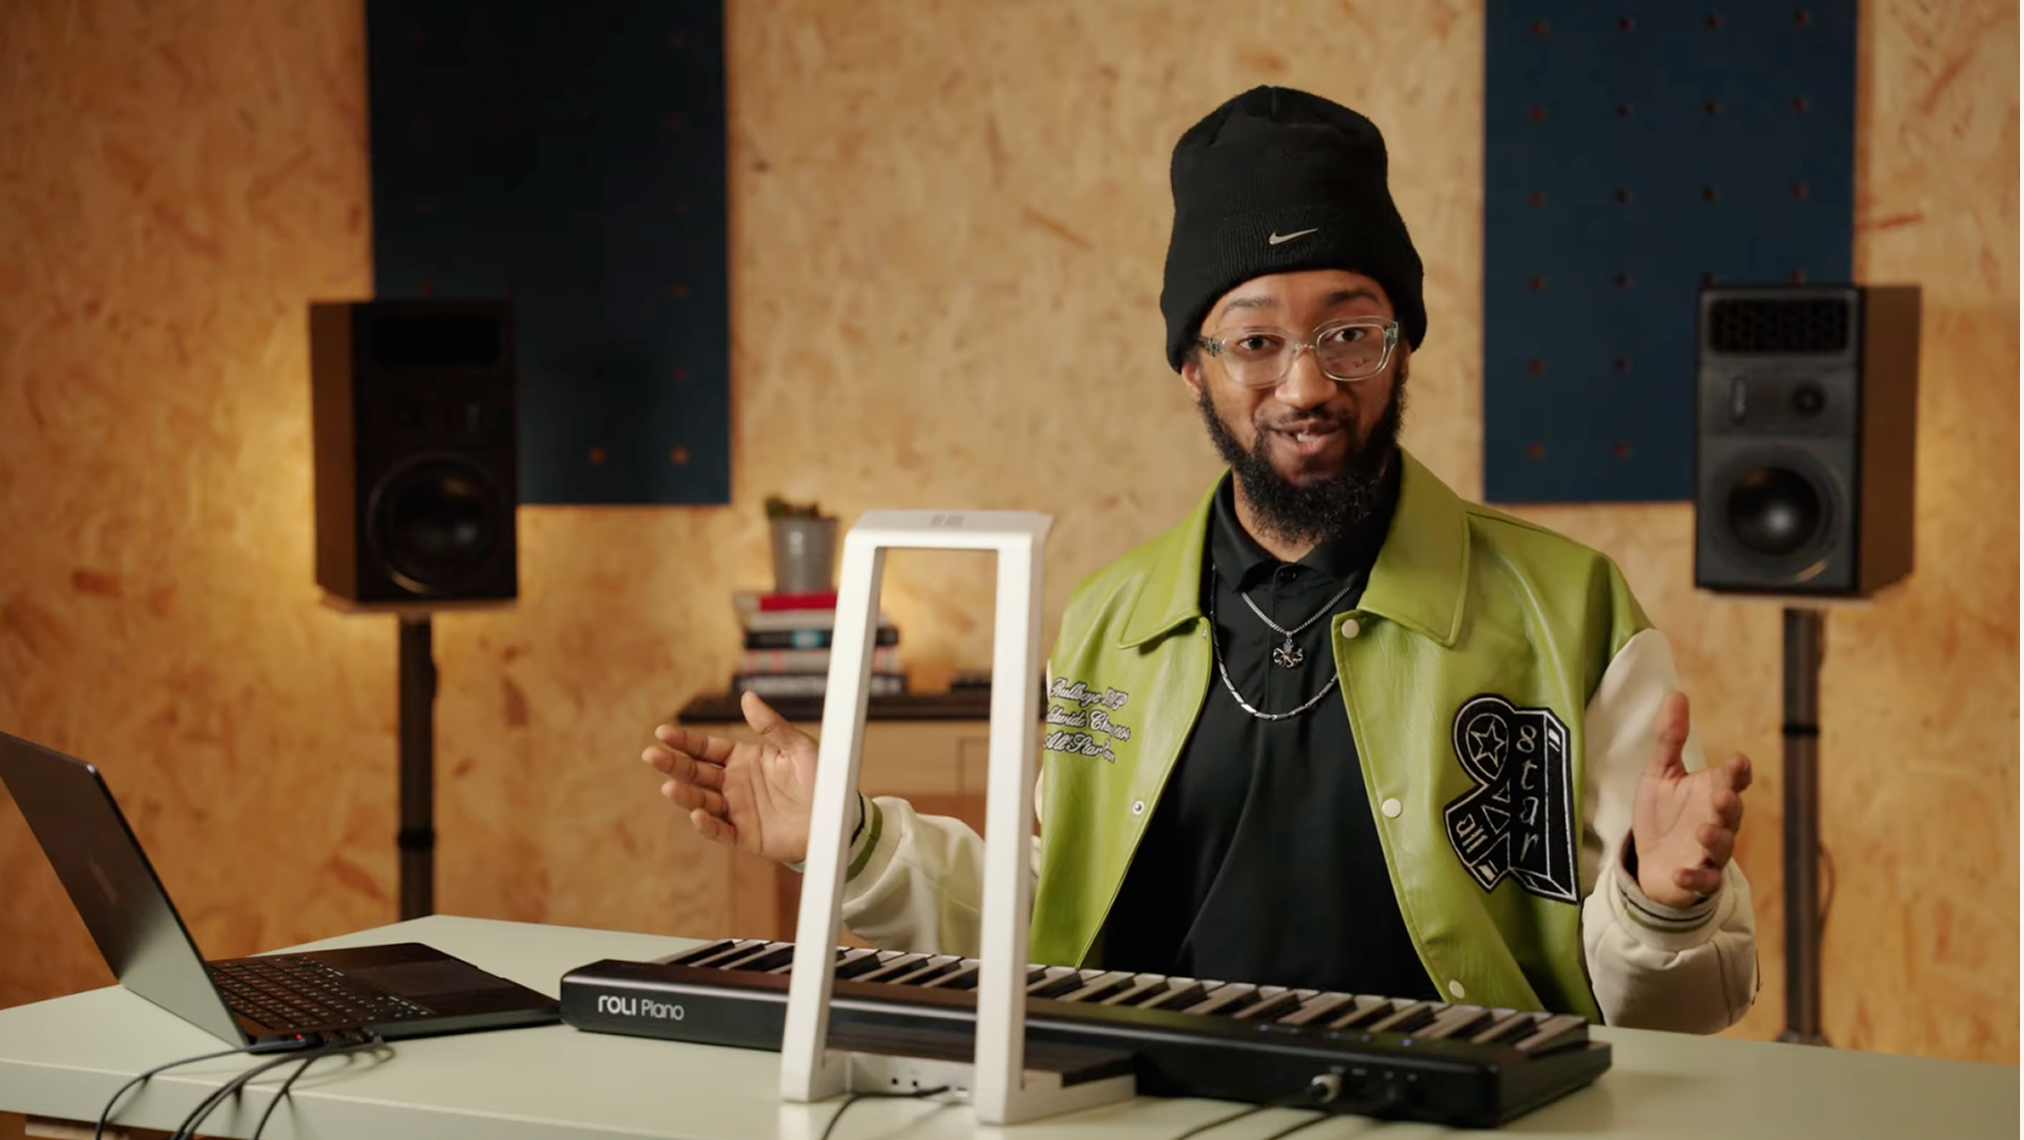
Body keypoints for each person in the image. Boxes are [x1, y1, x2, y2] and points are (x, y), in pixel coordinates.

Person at [644, 87, 1757, 1033]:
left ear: (1402, 340)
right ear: (1192, 364)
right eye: (1255, 339)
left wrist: (1658, 904)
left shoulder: (1569, 609)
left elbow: (1694, 1002)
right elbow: (1051, 912)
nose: (1308, 386)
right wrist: (845, 843)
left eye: (1349, 330)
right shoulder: (1111, 618)